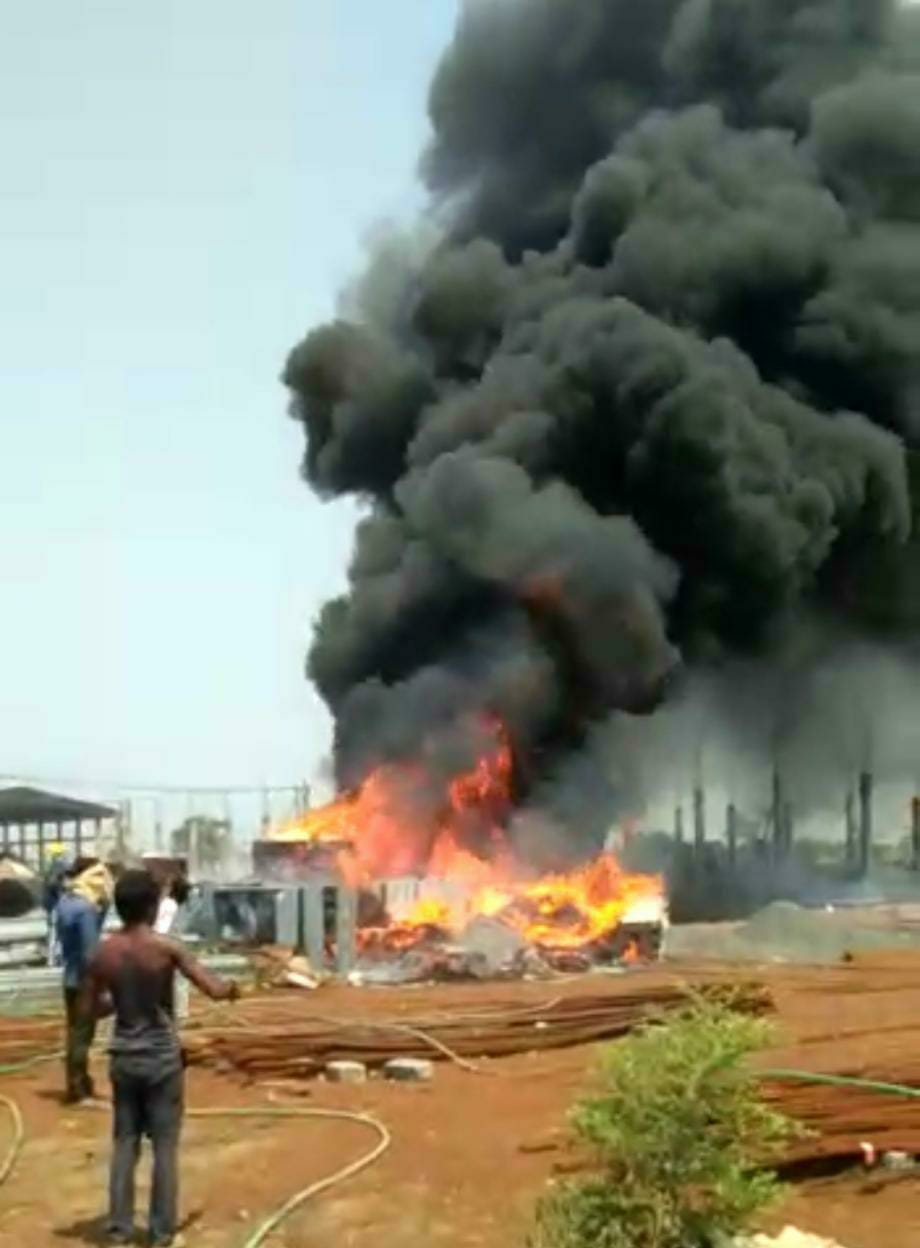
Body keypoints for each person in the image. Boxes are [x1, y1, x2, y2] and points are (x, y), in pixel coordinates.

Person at [81, 868, 239, 1248]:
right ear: (152, 907)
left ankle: (119, 1230)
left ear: (119, 908)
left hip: (123, 1056)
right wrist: (234, 989)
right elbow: (214, 989)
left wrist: (118, 999)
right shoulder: (168, 949)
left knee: (124, 1143)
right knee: (164, 1147)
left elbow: (91, 1009)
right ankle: (160, 1231)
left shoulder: (103, 953)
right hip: (161, 1058)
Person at [57, 860, 113, 1102]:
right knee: (83, 1034)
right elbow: (91, 952)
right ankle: (78, 1088)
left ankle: (78, 1082)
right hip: (85, 980)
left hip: (70, 976)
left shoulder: (66, 902)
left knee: (75, 1031)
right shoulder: (86, 909)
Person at [42, 843, 70, 967]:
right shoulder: (60, 868)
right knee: (58, 932)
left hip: (51, 905)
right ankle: (56, 958)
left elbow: (48, 886)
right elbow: (56, 886)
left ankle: (52, 959)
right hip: (57, 905)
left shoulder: (49, 869)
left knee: (53, 932)